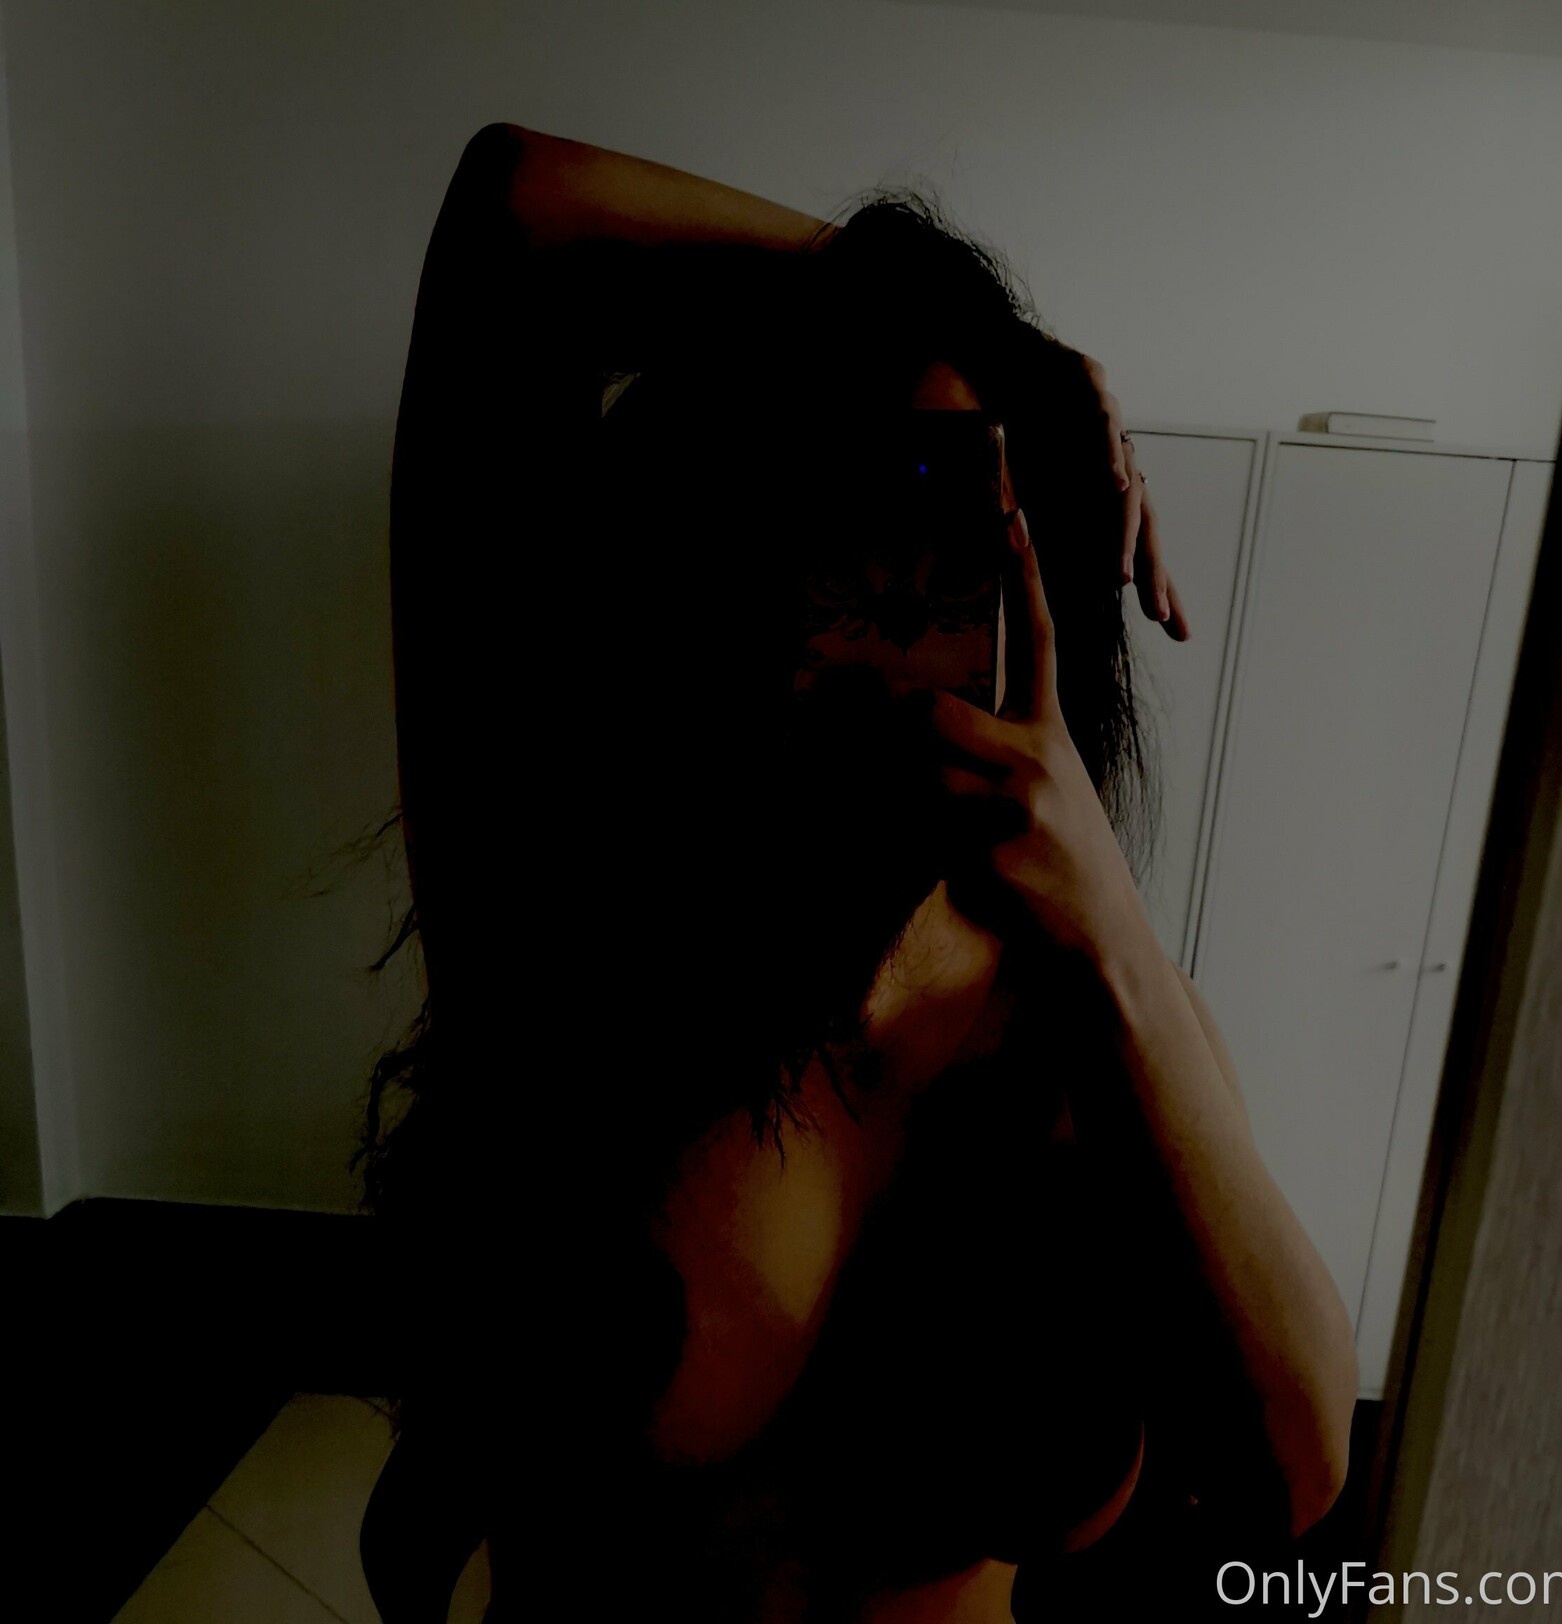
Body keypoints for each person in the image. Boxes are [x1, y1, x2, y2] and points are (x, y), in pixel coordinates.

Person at [357, 122, 1356, 1623]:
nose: (898, 587)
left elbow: (1291, 1474)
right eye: (845, 510)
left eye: (959, 512)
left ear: (1041, 568)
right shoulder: (566, 882)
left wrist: (1108, 932)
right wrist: (948, 323)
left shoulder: (1103, 1017)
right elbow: (514, 217)